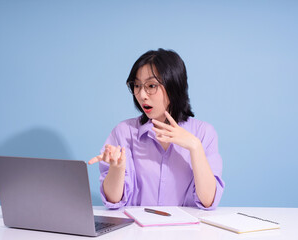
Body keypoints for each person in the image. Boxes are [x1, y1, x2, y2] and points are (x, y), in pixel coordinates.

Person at [88, 48, 224, 210]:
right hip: (135, 231)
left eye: (151, 85)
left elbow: (208, 201)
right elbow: (113, 201)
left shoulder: (203, 133)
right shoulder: (124, 132)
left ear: (174, 86)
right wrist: (116, 169)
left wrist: (194, 147)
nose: (142, 95)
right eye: (137, 85)